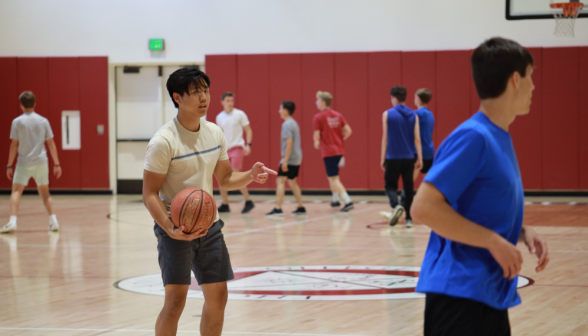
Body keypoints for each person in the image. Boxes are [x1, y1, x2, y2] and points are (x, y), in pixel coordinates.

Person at [412, 37, 549, 336]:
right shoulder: (474, 136)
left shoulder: (498, 136)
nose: (534, 87)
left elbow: (478, 206)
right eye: (531, 77)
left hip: (488, 294)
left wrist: (522, 231)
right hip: (459, 297)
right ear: (516, 79)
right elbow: (422, 208)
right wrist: (492, 240)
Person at [142, 67, 276, 336]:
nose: (203, 98)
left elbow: (225, 179)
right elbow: (149, 194)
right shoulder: (163, 141)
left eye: (205, 91)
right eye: (195, 92)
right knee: (175, 302)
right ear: (178, 97)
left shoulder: (214, 133)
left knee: (218, 297)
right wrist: (170, 229)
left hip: (210, 226)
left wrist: (250, 175)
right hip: (175, 229)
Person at [2, 91, 62, 233]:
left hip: (24, 162)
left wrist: (9, 165)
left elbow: (13, 146)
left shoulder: (16, 122)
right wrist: (57, 164)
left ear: (21, 105)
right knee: (45, 193)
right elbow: (51, 144)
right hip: (41, 161)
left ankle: (12, 222)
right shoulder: (43, 121)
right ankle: (54, 221)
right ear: (35, 103)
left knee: (16, 191)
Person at [379, 86, 422, 228]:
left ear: (394, 98)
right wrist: (420, 158)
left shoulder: (387, 114)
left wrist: (382, 157)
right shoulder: (414, 115)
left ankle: (396, 205)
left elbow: (385, 139)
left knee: (390, 186)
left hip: (392, 157)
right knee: (408, 188)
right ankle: (409, 219)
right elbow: (417, 139)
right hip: (409, 157)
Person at [313, 91, 354, 212]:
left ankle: (347, 201)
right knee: (332, 176)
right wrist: (341, 140)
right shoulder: (338, 115)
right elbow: (348, 131)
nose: (316, 102)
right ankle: (335, 200)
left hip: (328, 151)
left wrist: (316, 142)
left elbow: (316, 136)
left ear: (323, 102)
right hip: (339, 150)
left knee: (334, 178)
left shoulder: (318, 117)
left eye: (317, 100)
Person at [215, 92, 254, 213]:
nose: (230, 103)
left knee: (234, 176)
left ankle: (248, 200)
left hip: (238, 148)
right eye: (227, 100)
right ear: (222, 102)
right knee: (221, 177)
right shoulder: (219, 117)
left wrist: (248, 145)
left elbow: (248, 130)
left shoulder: (239, 114)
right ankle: (225, 204)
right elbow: (219, 135)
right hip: (225, 150)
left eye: (231, 100)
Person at [266, 101, 305, 216]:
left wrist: (285, 161)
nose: (279, 111)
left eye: (280, 109)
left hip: (291, 158)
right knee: (292, 182)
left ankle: (278, 208)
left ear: (285, 111)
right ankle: (301, 207)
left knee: (280, 180)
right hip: (296, 157)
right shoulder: (294, 123)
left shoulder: (287, 124)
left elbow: (289, 143)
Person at [413, 88, 435, 180]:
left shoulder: (416, 114)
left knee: (409, 180)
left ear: (418, 98)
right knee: (429, 181)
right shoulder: (430, 114)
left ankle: (405, 194)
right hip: (429, 151)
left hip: (418, 152)